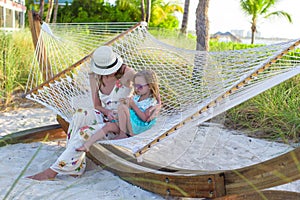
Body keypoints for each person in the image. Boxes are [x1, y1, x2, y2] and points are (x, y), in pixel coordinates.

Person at [26, 46, 160, 180]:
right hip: (106, 115)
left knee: (84, 132)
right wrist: (106, 112)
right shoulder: (94, 76)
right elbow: (97, 105)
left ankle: (52, 172)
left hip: (122, 122)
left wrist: (159, 104)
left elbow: (150, 85)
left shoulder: (128, 73)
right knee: (79, 114)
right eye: (104, 70)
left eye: (109, 70)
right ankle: (74, 165)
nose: (107, 73)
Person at [76, 70, 160, 152]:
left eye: (140, 86)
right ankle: (86, 146)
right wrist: (123, 107)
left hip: (137, 129)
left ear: (149, 86)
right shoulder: (137, 97)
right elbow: (130, 113)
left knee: (122, 107)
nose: (137, 89)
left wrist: (132, 105)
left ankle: (122, 135)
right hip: (128, 125)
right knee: (108, 126)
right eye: (135, 85)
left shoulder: (151, 102)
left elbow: (145, 118)